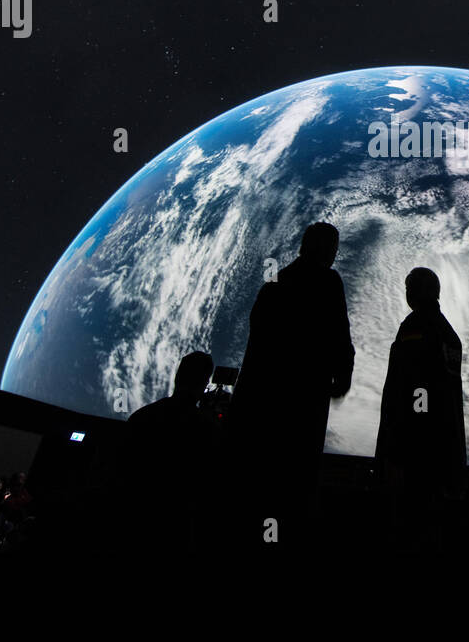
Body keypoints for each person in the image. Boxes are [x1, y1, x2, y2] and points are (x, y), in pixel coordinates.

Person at [226, 223, 355, 545]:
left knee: (255, 490)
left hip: (257, 410)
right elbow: (340, 337)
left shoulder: (274, 284)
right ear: (324, 248)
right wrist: (342, 376)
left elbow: (255, 348)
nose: (334, 253)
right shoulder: (328, 280)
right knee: (294, 491)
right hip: (302, 410)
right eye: (333, 246)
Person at [374, 267, 465, 547]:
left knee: (407, 526)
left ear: (416, 291)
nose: (407, 293)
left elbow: (411, 385)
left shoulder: (416, 325)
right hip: (443, 449)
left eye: (410, 287)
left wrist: (397, 449)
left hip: (415, 448)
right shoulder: (448, 332)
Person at [121, 351, 218, 552]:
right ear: (204, 384)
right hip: (177, 534)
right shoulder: (206, 429)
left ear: (177, 377)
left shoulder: (141, 418)